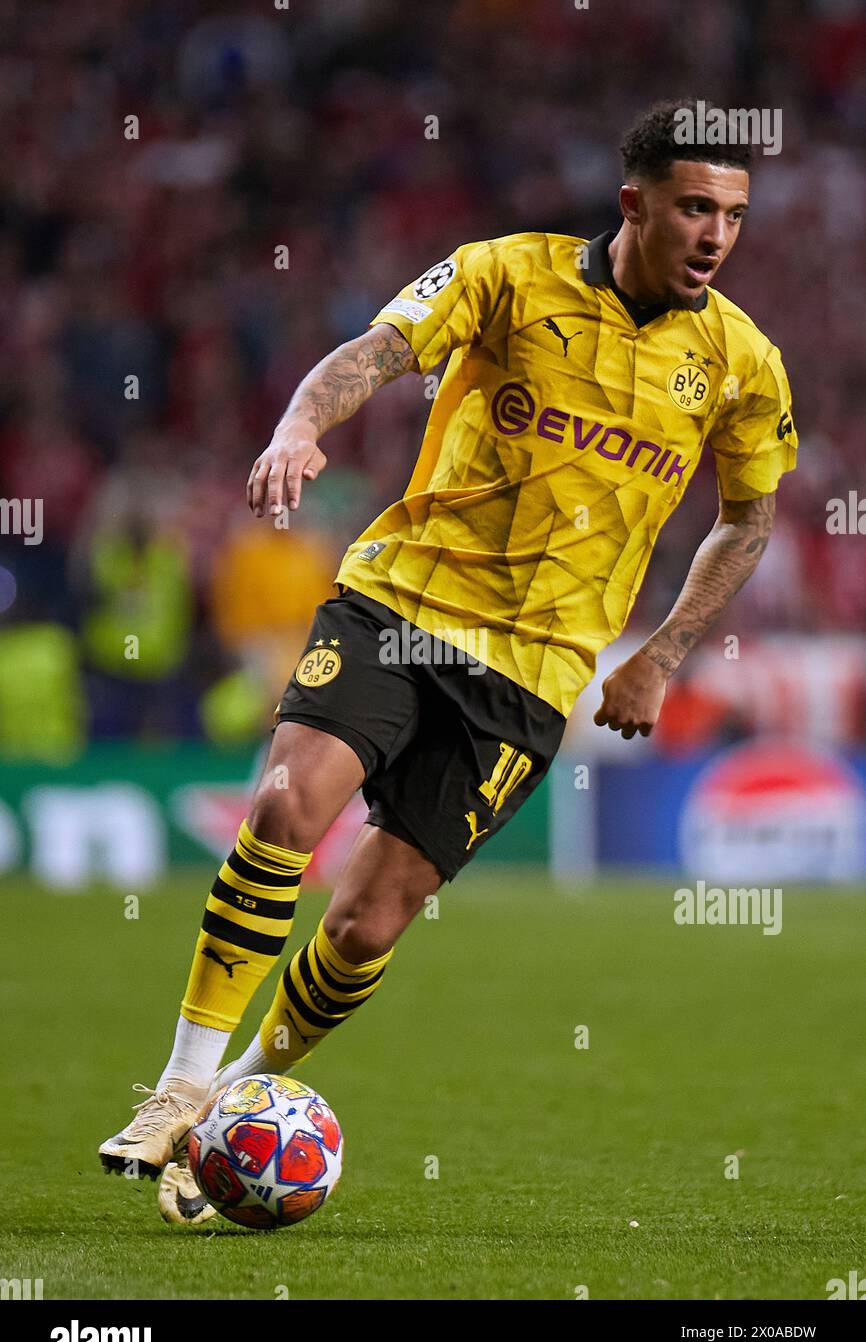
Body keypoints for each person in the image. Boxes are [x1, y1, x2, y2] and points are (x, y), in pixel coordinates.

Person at [98, 99, 797, 1224]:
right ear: (635, 205)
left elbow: (746, 519)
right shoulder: (506, 274)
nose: (714, 235)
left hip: (530, 670)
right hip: (400, 599)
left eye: (731, 215)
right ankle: (180, 1075)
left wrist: (660, 653)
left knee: (368, 922)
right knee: (285, 806)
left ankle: (224, 1106)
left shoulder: (739, 363)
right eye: (692, 209)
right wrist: (295, 429)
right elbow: (376, 352)